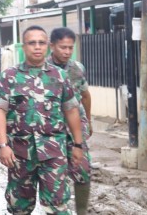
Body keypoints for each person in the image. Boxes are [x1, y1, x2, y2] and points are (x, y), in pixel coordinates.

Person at [0, 25, 84, 215]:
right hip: (19, 153)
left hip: (54, 152)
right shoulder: (9, 76)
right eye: (32, 43)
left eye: (41, 43)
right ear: (23, 47)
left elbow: (71, 111)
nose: (37, 47)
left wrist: (78, 144)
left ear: (48, 46)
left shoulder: (59, 76)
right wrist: (2, 145)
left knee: (57, 206)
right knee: (19, 207)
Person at [47, 27, 92, 215]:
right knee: (55, 175)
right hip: (51, 128)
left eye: (70, 48)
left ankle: (81, 211)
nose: (66, 52)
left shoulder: (77, 68)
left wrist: (88, 122)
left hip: (75, 127)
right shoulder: (43, 68)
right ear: (52, 46)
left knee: (83, 170)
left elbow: (85, 95)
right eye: (62, 47)